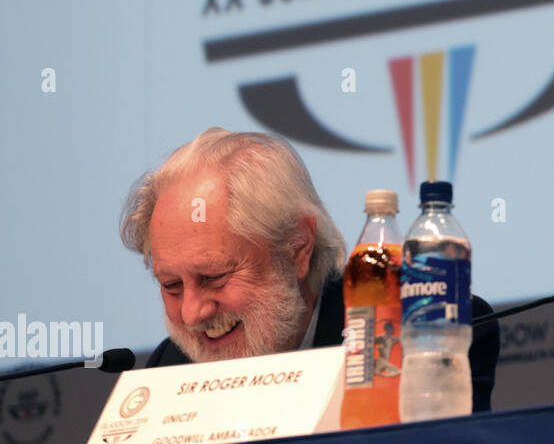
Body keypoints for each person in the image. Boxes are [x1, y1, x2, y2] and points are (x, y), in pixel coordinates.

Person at [120, 128, 499, 411]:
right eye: (170, 285)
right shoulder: (168, 370)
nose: (192, 313)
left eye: (214, 278)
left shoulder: (420, 333)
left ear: (298, 249)